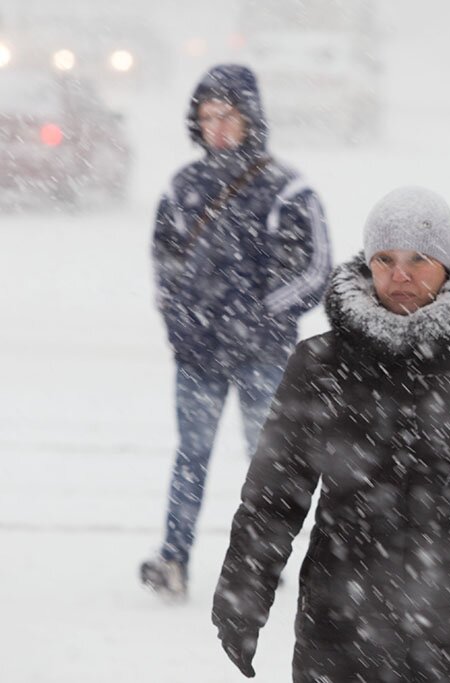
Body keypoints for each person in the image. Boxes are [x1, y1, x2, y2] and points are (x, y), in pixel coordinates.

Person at [211, 187, 450, 681]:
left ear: (449, 265)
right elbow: (275, 492)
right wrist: (243, 595)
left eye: (419, 259)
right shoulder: (322, 363)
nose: (400, 275)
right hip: (347, 621)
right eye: (384, 259)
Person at [141, 64, 332, 600]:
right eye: (206, 116)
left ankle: (265, 567)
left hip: (264, 356)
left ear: (251, 117)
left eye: (227, 115)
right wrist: (177, 317)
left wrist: (261, 317)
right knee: (190, 457)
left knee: (267, 465)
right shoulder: (183, 187)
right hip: (197, 352)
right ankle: (173, 560)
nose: (217, 127)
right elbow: (164, 260)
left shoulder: (286, 188)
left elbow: (314, 270)